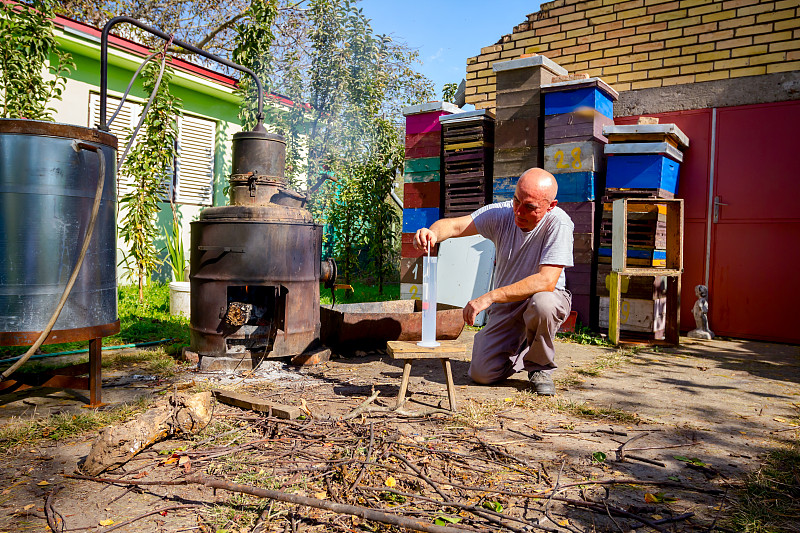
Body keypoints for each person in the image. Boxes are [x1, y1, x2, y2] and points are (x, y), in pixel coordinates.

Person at [413, 168, 573, 395]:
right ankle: (523, 351)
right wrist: (432, 234)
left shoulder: (559, 224)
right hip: (508, 305)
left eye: (529, 207)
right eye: (516, 200)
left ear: (551, 206)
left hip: (545, 298)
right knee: (482, 373)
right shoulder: (502, 213)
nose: (518, 211)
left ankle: (539, 367)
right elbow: (455, 225)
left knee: (543, 304)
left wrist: (488, 297)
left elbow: (546, 281)